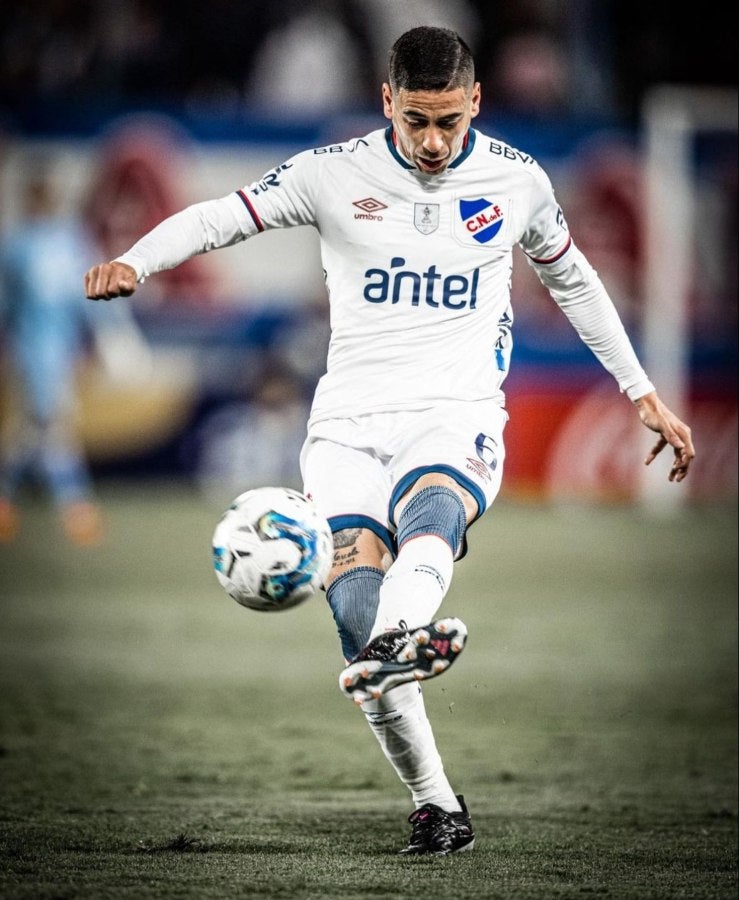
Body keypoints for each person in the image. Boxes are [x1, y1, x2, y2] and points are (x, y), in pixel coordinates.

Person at [84, 26, 695, 855]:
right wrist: (138, 259)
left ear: (475, 101)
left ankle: (400, 639)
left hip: (454, 412)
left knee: (433, 508)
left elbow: (573, 280)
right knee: (353, 619)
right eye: (415, 121)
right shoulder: (330, 173)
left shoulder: (517, 181)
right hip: (346, 425)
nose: (434, 140)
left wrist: (640, 390)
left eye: (449, 120)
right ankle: (436, 802)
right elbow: (222, 217)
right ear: (386, 103)